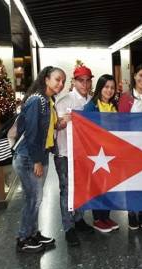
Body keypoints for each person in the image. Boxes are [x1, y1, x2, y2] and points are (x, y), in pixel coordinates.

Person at [13, 66, 65, 253]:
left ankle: (33, 233)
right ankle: (23, 238)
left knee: (35, 198)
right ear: (46, 79)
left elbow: (47, 128)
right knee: (33, 199)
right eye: (57, 79)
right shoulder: (37, 101)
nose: (61, 84)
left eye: (63, 81)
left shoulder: (48, 100)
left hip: (39, 155)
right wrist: (36, 161)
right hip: (29, 157)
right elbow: (33, 133)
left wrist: (60, 123)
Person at [54, 65, 95, 246]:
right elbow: (55, 126)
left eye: (88, 80)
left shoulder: (92, 101)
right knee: (66, 190)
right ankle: (68, 228)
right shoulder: (64, 101)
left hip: (85, 154)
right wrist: (63, 122)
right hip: (65, 153)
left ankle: (79, 219)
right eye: (81, 80)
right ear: (74, 82)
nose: (85, 84)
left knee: (83, 188)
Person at [118, 63, 142, 230]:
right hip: (129, 146)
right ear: (134, 76)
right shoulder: (126, 98)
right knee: (131, 181)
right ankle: (132, 212)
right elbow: (121, 123)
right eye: (140, 75)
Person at [83, 74, 120, 233]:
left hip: (111, 152)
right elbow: (84, 129)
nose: (109, 90)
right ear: (100, 87)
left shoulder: (114, 105)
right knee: (97, 187)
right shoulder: (91, 106)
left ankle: (106, 216)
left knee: (109, 186)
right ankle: (98, 219)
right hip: (96, 154)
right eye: (106, 87)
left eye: (112, 87)